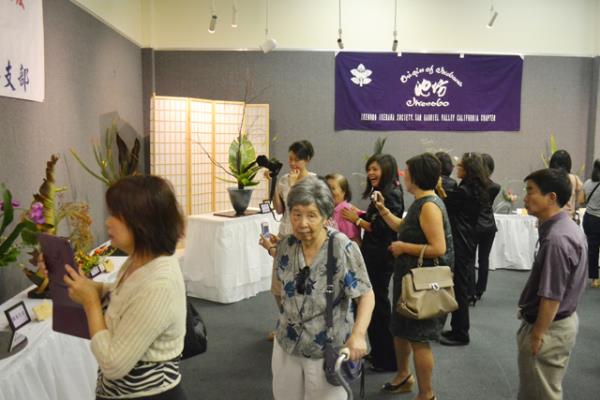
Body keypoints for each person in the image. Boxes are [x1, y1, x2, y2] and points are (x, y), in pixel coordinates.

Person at [40, 175, 187, 399]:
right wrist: (75, 279)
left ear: (142, 222)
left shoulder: (160, 284)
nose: (108, 222)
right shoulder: (138, 261)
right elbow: (123, 296)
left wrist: (90, 301)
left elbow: (112, 364)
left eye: (116, 215)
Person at [264, 176, 375, 400]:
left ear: (326, 216)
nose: (302, 223)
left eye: (311, 215)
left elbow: (365, 295)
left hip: (326, 349)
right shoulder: (286, 245)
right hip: (287, 344)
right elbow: (284, 286)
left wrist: (358, 335)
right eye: (296, 214)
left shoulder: (341, 247)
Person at [375, 153, 453, 400]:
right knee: (400, 330)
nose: (403, 175)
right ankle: (403, 376)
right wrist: (383, 211)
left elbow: (438, 248)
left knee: (419, 339)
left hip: (422, 285)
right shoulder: (421, 202)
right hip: (409, 280)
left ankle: (427, 394)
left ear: (416, 176)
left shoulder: (429, 205)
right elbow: (404, 227)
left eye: (406, 171)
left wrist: (403, 248)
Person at [517, 168, 587, 400]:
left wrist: (537, 335)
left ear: (552, 197)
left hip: (549, 328)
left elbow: (552, 296)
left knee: (540, 393)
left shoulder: (557, 239)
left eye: (531, 191)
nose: (525, 197)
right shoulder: (565, 228)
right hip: (557, 324)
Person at [342, 153, 404, 372]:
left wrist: (356, 220)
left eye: (375, 169)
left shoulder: (391, 194)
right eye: (369, 169)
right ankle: (380, 353)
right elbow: (375, 219)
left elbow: (382, 228)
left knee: (378, 307)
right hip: (374, 254)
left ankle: (387, 359)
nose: (370, 173)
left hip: (380, 257)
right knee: (376, 306)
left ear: (386, 170)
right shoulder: (384, 191)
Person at [437, 152, 489, 346]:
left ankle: (461, 333)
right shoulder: (472, 189)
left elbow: (447, 205)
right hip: (467, 240)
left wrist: (439, 189)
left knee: (459, 288)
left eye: (460, 166)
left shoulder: (464, 191)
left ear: (467, 170)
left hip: (460, 241)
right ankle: (458, 328)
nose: (456, 168)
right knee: (460, 286)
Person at [269, 140, 317, 339]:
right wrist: (274, 185)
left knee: (299, 285)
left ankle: (301, 328)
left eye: (296, 159)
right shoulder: (284, 179)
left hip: (304, 238)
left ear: (307, 159)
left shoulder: (313, 181)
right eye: (290, 159)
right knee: (278, 286)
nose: (292, 163)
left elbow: (304, 208)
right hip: (284, 233)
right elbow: (280, 210)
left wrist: (293, 185)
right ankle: (284, 324)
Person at [472, 153, 501, 302]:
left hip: (474, 225)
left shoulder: (471, 186)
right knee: (484, 259)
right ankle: (480, 290)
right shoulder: (495, 187)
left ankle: (470, 289)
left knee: (470, 258)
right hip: (489, 225)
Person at [325, 173, 361, 245]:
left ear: (343, 192)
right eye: (326, 188)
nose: (329, 192)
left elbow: (354, 241)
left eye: (333, 188)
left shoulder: (345, 211)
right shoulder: (328, 210)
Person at [549, 149, 584, 219]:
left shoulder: (548, 177)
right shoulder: (575, 179)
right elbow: (581, 200)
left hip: (551, 218)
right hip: (568, 218)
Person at [582, 159, 600, 288]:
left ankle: (594, 279)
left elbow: (581, 201)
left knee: (592, 250)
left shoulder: (587, 183)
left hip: (589, 219)